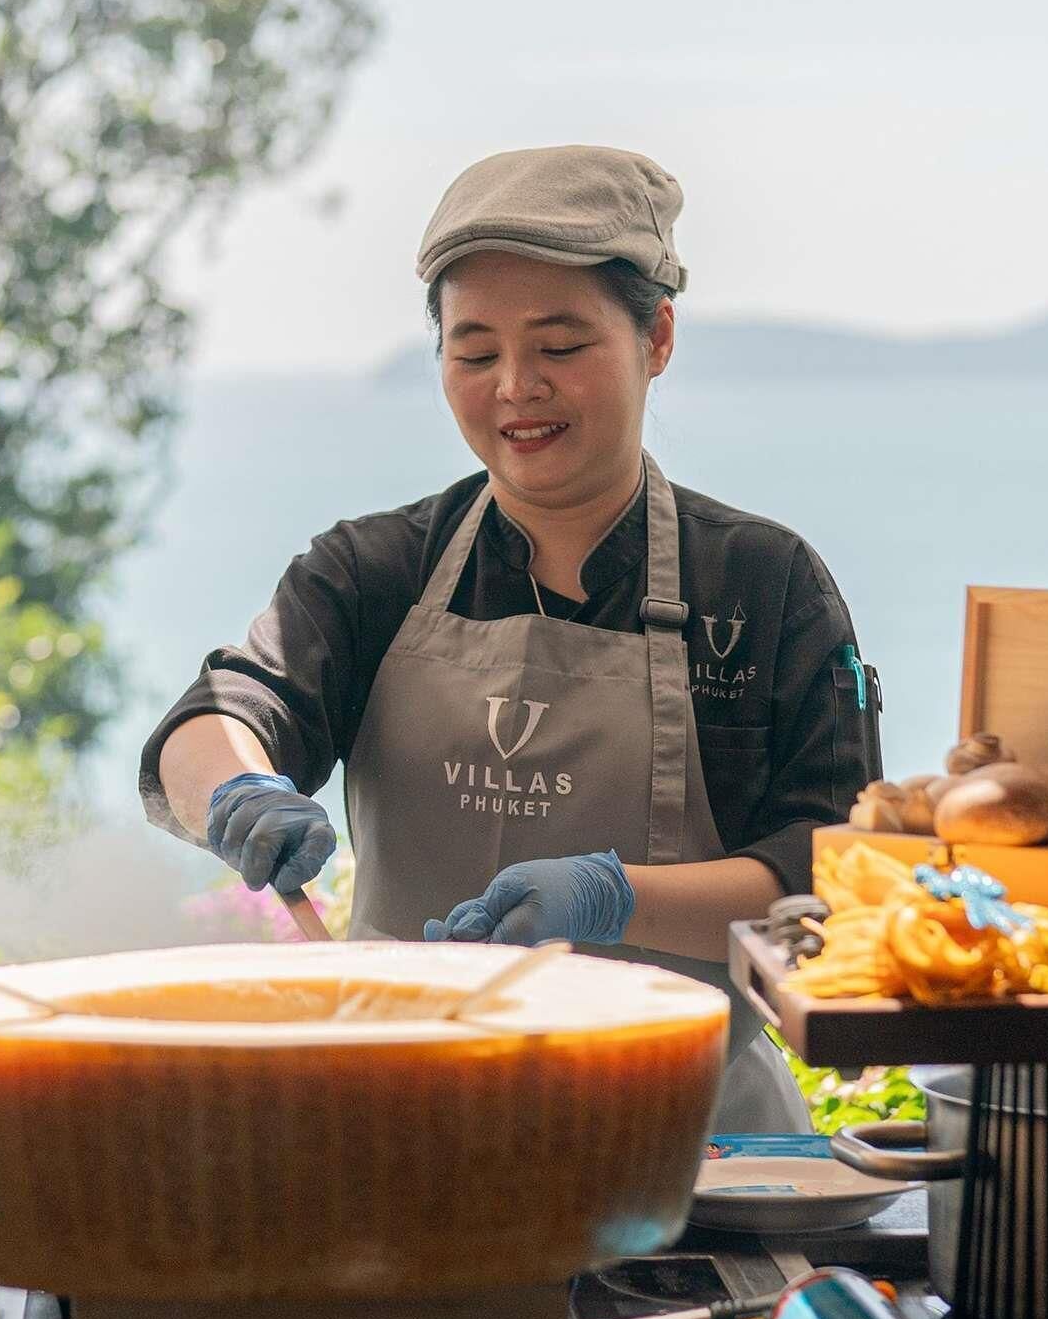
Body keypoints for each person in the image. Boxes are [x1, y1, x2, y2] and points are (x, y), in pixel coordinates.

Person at [140, 145, 880, 1129]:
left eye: (562, 347)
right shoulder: (377, 568)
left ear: (656, 337)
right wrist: (237, 788)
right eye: (476, 352)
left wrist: (616, 898)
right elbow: (226, 710)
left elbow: (835, 864)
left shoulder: (760, 585)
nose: (515, 388)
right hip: (400, 1118)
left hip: (691, 1136)